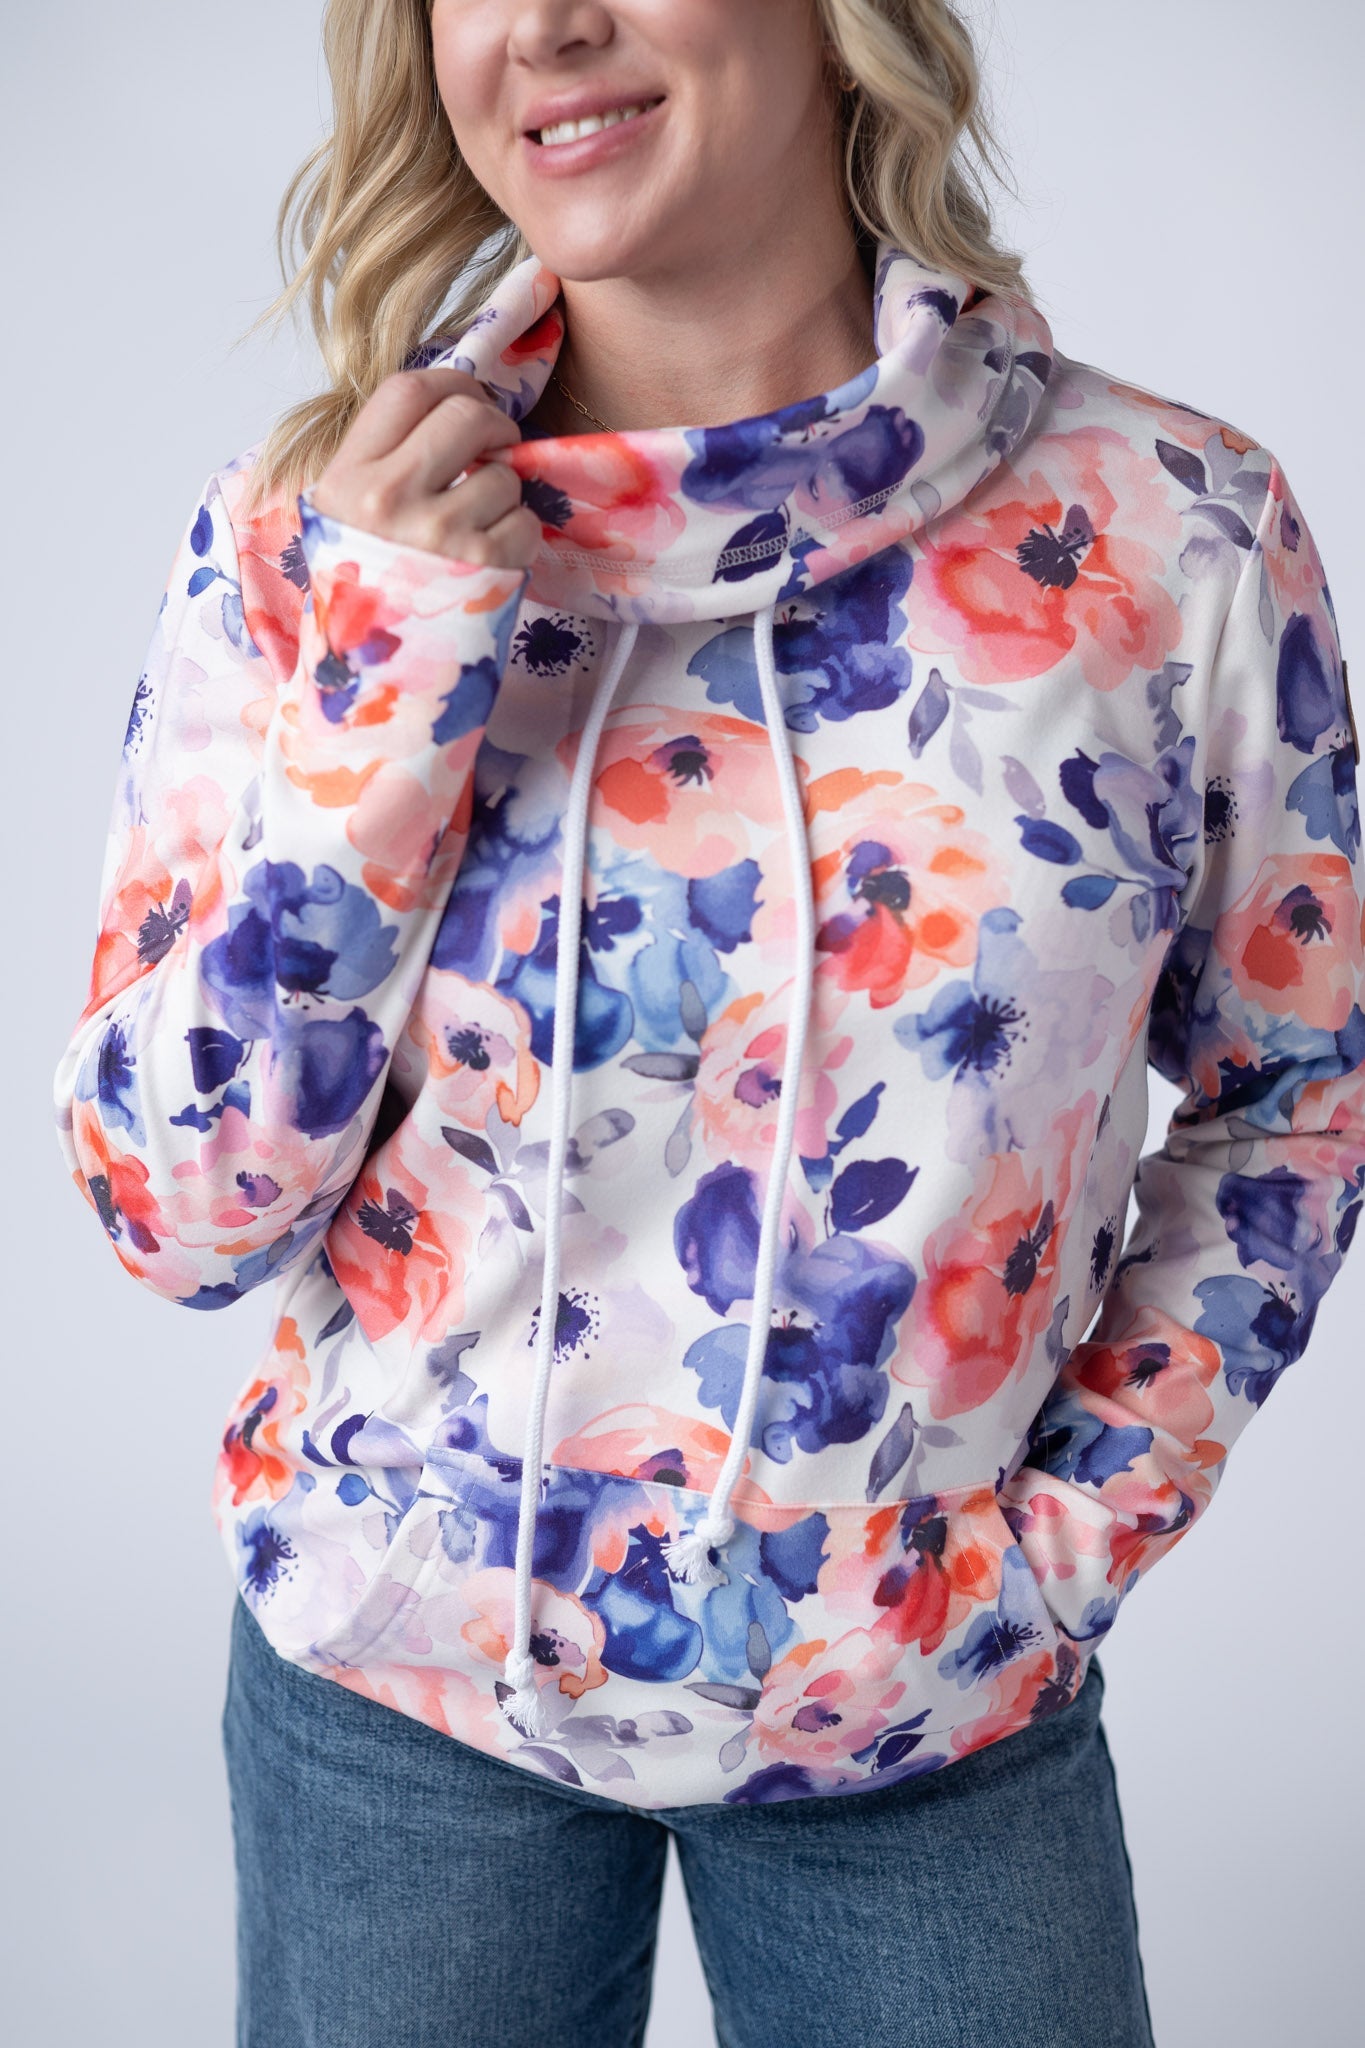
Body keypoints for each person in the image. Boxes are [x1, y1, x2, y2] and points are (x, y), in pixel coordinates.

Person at [52, 1, 1364, 2043]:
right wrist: (388, 682)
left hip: (926, 1722)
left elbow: (1293, 1091)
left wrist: (1061, 1541)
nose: (546, 24)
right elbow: (173, 1215)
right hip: (399, 1702)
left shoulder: (1164, 528)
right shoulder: (315, 537)